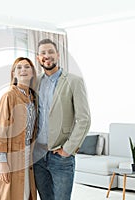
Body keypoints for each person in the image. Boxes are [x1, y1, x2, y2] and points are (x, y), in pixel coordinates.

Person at [33, 38, 91, 200]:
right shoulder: (34, 82)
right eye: (43, 53)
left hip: (60, 156)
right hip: (38, 156)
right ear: (38, 58)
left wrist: (68, 149)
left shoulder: (74, 81)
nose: (47, 56)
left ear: (58, 55)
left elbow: (84, 119)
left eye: (50, 52)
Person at [0, 57, 38, 200]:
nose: (23, 70)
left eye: (27, 67)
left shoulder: (32, 98)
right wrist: (3, 163)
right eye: (19, 67)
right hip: (10, 154)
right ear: (13, 74)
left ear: (33, 72)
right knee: (10, 194)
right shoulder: (9, 96)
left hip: (28, 152)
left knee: (26, 193)